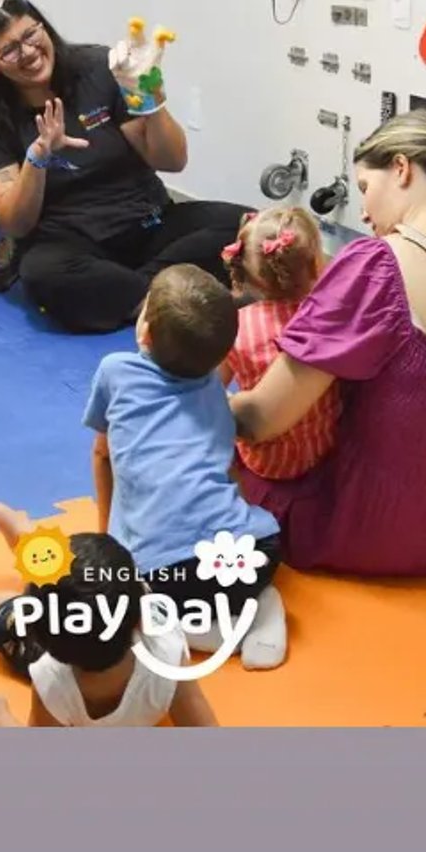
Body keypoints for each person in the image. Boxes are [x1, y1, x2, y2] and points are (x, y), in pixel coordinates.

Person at [227, 111, 426, 577]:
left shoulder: (375, 267)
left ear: (401, 169)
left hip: (384, 535)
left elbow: (262, 419)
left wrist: (180, 397)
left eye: (364, 187)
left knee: (220, 465)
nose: (362, 211)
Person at [0, 0, 246, 333]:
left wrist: (150, 99)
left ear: (44, 27)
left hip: (148, 224)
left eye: (31, 34)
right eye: (10, 50)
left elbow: (172, 161)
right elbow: (15, 223)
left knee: (246, 228)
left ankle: (140, 299)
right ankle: (177, 295)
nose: (29, 52)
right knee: (42, 274)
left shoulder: (97, 67)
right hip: (72, 246)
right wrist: (37, 159)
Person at [84, 264, 287, 667]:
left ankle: (231, 628)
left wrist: (108, 541)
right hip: (256, 549)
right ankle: (258, 602)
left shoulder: (115, 371)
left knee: (133, 611)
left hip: (168, 574)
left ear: (144, 333)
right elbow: (228, 468)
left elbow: (102, 455)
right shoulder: (215, 387)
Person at [0, 509, 219, 728]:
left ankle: (25, 536)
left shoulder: (167, 657)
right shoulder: (52, 679)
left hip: (72, 614)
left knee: (54, 581)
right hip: (87, 613)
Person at [222, 205, 343, 484]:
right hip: (324, 458)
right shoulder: (330, 320)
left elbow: (207, 390)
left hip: (263, 465)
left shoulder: (237, 326)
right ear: (316, 264)